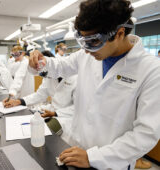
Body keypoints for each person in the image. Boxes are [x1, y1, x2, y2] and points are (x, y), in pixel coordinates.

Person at [29, 0, 160, 170]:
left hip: (112, 162)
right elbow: (59, 66)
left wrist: (93, 157)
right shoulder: (88, 56)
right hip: (75, 150)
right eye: (83, 41)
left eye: (93, 42)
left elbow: (146, 134)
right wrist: (40, 61)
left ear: (119, 33)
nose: (86, 50)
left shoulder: (152, 70)